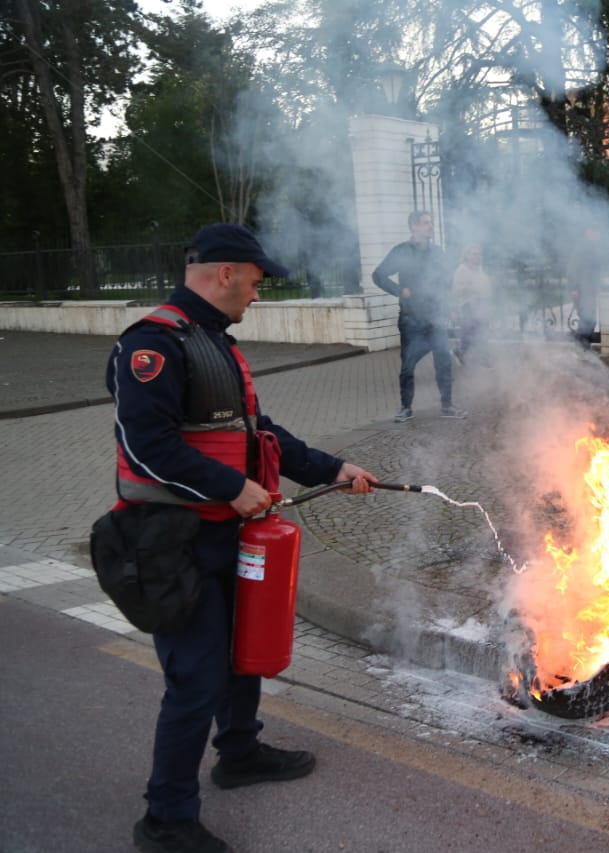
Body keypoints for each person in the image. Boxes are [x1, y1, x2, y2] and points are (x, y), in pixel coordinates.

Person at [106, 223, 377, 853]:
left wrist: (332, 468)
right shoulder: (152, 345)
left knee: (241, 652)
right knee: (195, 678)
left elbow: (259, 431)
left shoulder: (212, 342)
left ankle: (240, 753)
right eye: (255, 281)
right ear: (224, 273)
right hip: (172, 543)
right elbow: (147, 447)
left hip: (226, 536)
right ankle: (166, 820)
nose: (258, 294)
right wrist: (232, 488)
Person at [372, 210, 466, 421]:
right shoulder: (401, 251)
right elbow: (378, 275)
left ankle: (447, 405)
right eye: (426, 223)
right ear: (414, 226)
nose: (430, 226)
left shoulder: (436, 252)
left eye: (430, 223)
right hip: (411, 319)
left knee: (444, 361)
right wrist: (398, 290)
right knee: (408, 364)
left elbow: (445, 282)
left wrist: (450, 306)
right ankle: (406, 408)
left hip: (435, 318)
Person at [450, 242, 493, 366]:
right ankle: (460, 351)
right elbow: (457, 290)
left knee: (482, 333)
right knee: (470, 335)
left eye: (479, 254)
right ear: (467, 256)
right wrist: (472, 288)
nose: (478, 257)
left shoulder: (480, 270)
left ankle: (484, 358)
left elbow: (486, 287)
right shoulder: (461, 270)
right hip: (468, 306)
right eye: (474, 254)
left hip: (482, 305)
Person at [567, 224, 608, 349]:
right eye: (596, 232)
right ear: (588, 232)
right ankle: (580, 348)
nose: (598, 235)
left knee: (589, 319)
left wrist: (598, 286)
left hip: (589, 290)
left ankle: (584, 348)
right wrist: (574, 288)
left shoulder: (593, 247)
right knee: (587, 319)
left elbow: (595, 271)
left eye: (598, 233)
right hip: (582, 290)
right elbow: (572, 269)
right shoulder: (582, 247)